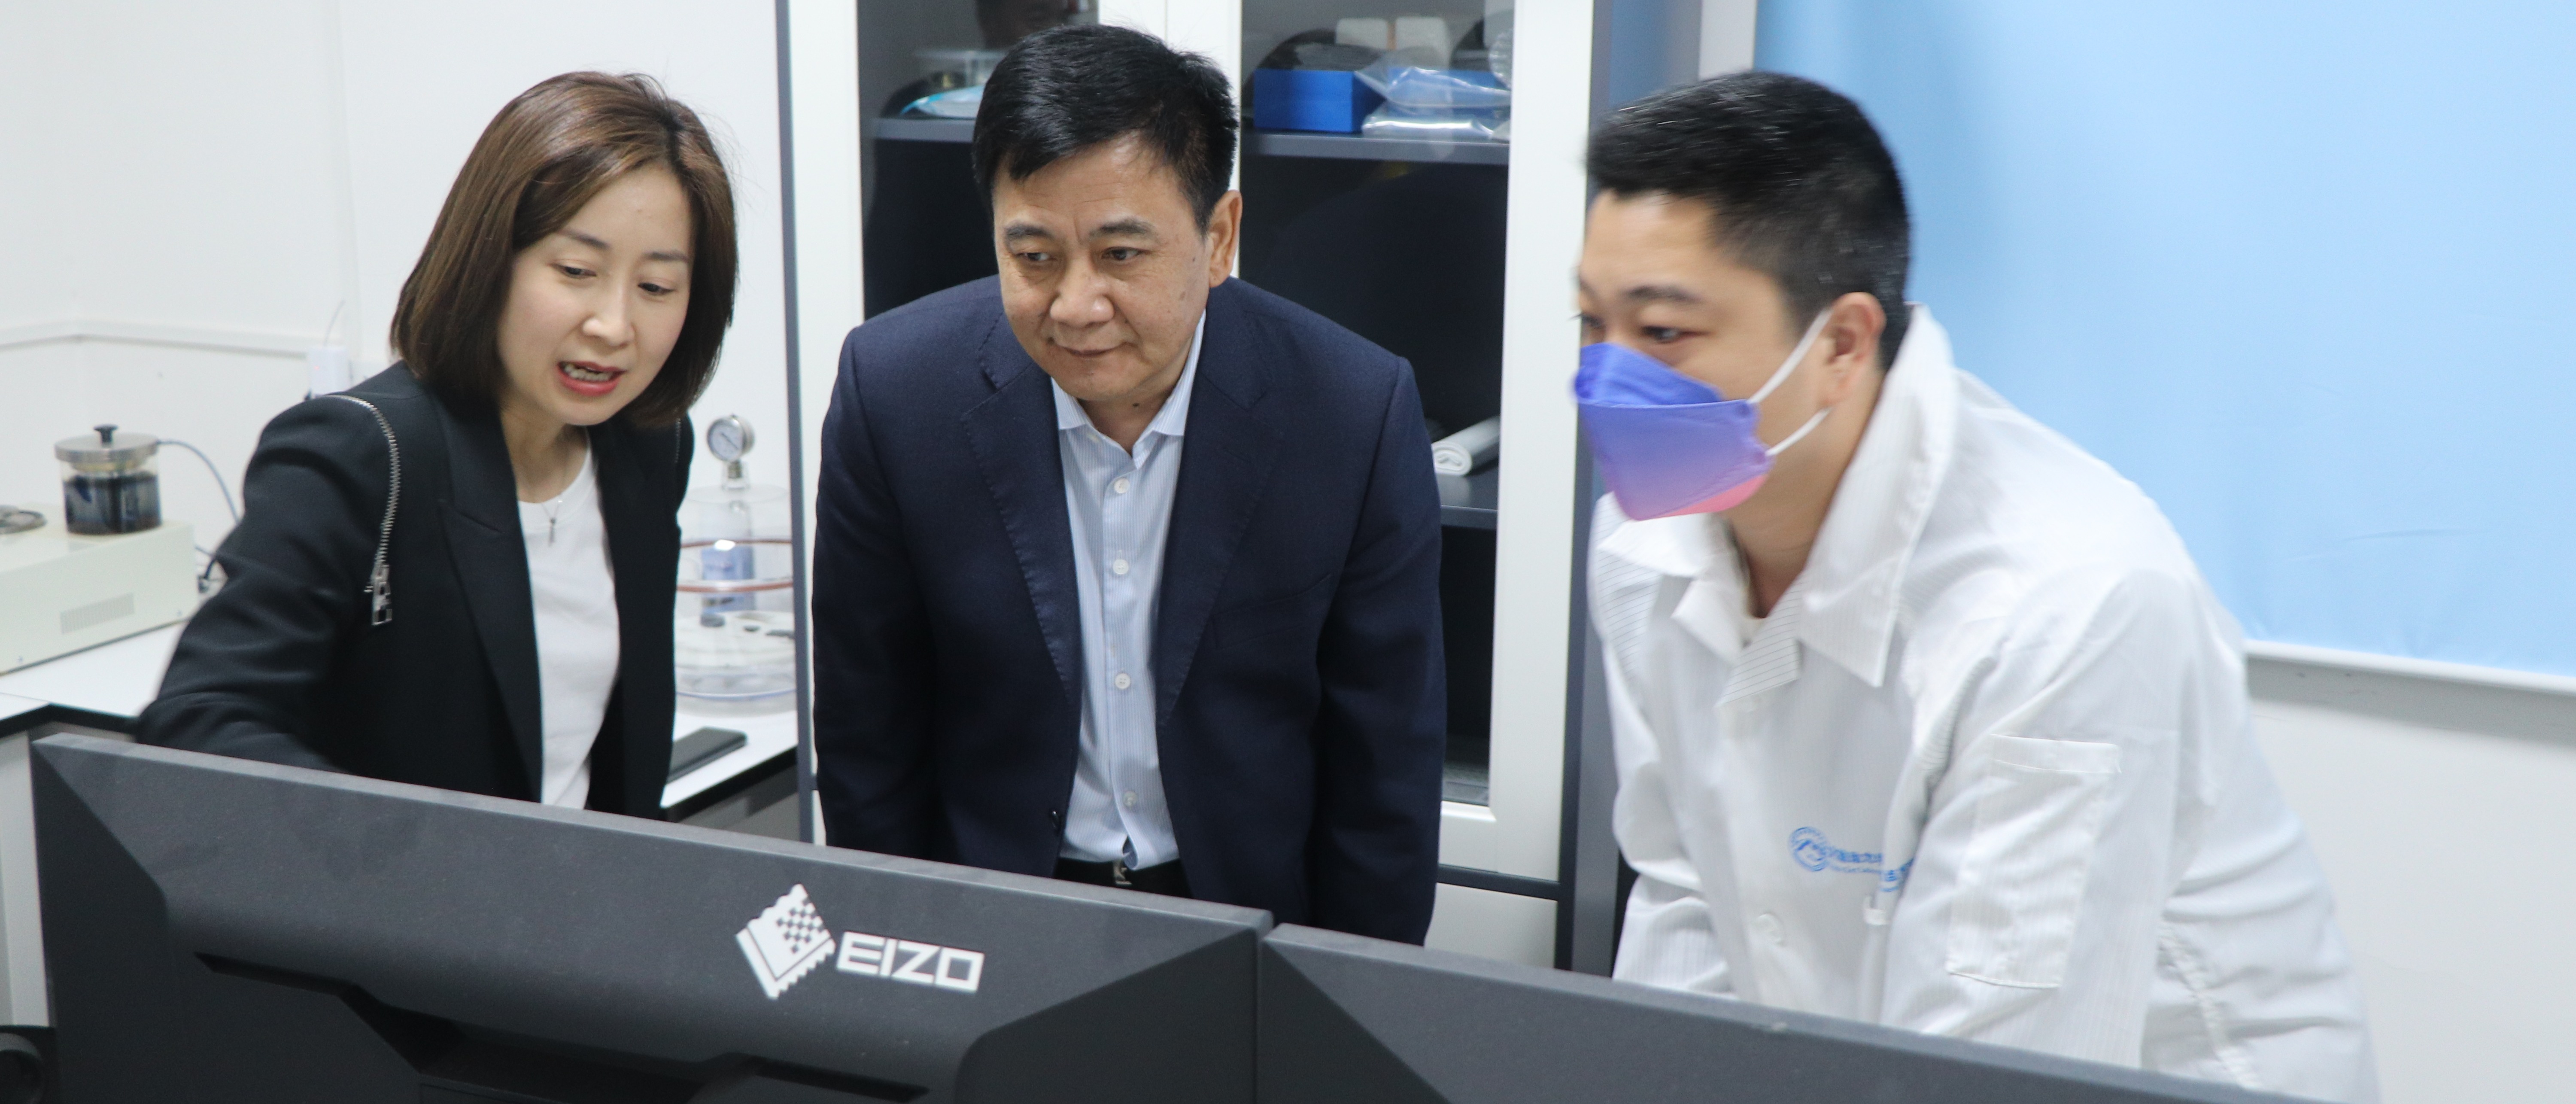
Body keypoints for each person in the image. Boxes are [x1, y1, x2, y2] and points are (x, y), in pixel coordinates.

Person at [1577, 73, 2376, 1100]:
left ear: (1841, 344)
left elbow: (1998, 1056)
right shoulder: (1646, 544)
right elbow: (1689, 900)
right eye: (1589, 321)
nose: (1605, 379)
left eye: (1662, 333)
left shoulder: (2066, 600)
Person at [812, 24, 1446, 943]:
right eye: (1034, 257)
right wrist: (898, 953)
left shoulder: (1350, 411)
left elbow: (1384, 764)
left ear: (1219, 236)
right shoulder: (897, 393)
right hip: (989, 912)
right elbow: (868, 735)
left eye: (1121, 255)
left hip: (1249, 920)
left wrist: (1349, 987)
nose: (1076, 307)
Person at [141, 73, 739, 817]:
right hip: (395, 887)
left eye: (656, 288)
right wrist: (415, 857)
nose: (614, 325)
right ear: (490, 259)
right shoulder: (360, 453)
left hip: (576, 884)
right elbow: (199, 722)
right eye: (577, 272)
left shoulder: (647, 446)